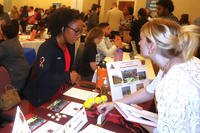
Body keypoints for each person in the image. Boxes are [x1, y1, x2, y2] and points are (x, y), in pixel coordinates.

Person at [98, 18, 200, 133]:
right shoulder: (174, 62)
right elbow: (149, 91)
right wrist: (116, 103)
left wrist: (137, 117)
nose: (139, 43)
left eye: (141, 39)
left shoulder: (173, 82)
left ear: (152, 45)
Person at [23, 8, 83, 107]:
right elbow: (43, 78)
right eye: (76, 31)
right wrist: (67, 76)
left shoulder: (70, 45)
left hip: (61, 93)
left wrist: (74, 76)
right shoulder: (47, 48)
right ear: (63, 28)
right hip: (44, 98)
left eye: (81, 31)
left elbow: (67, 69)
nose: (79, 35)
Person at [0, 20, 30, 92]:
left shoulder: (4, 46)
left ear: (4, 34)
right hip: (25, 77)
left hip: (16, 81)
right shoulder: (15, 41)